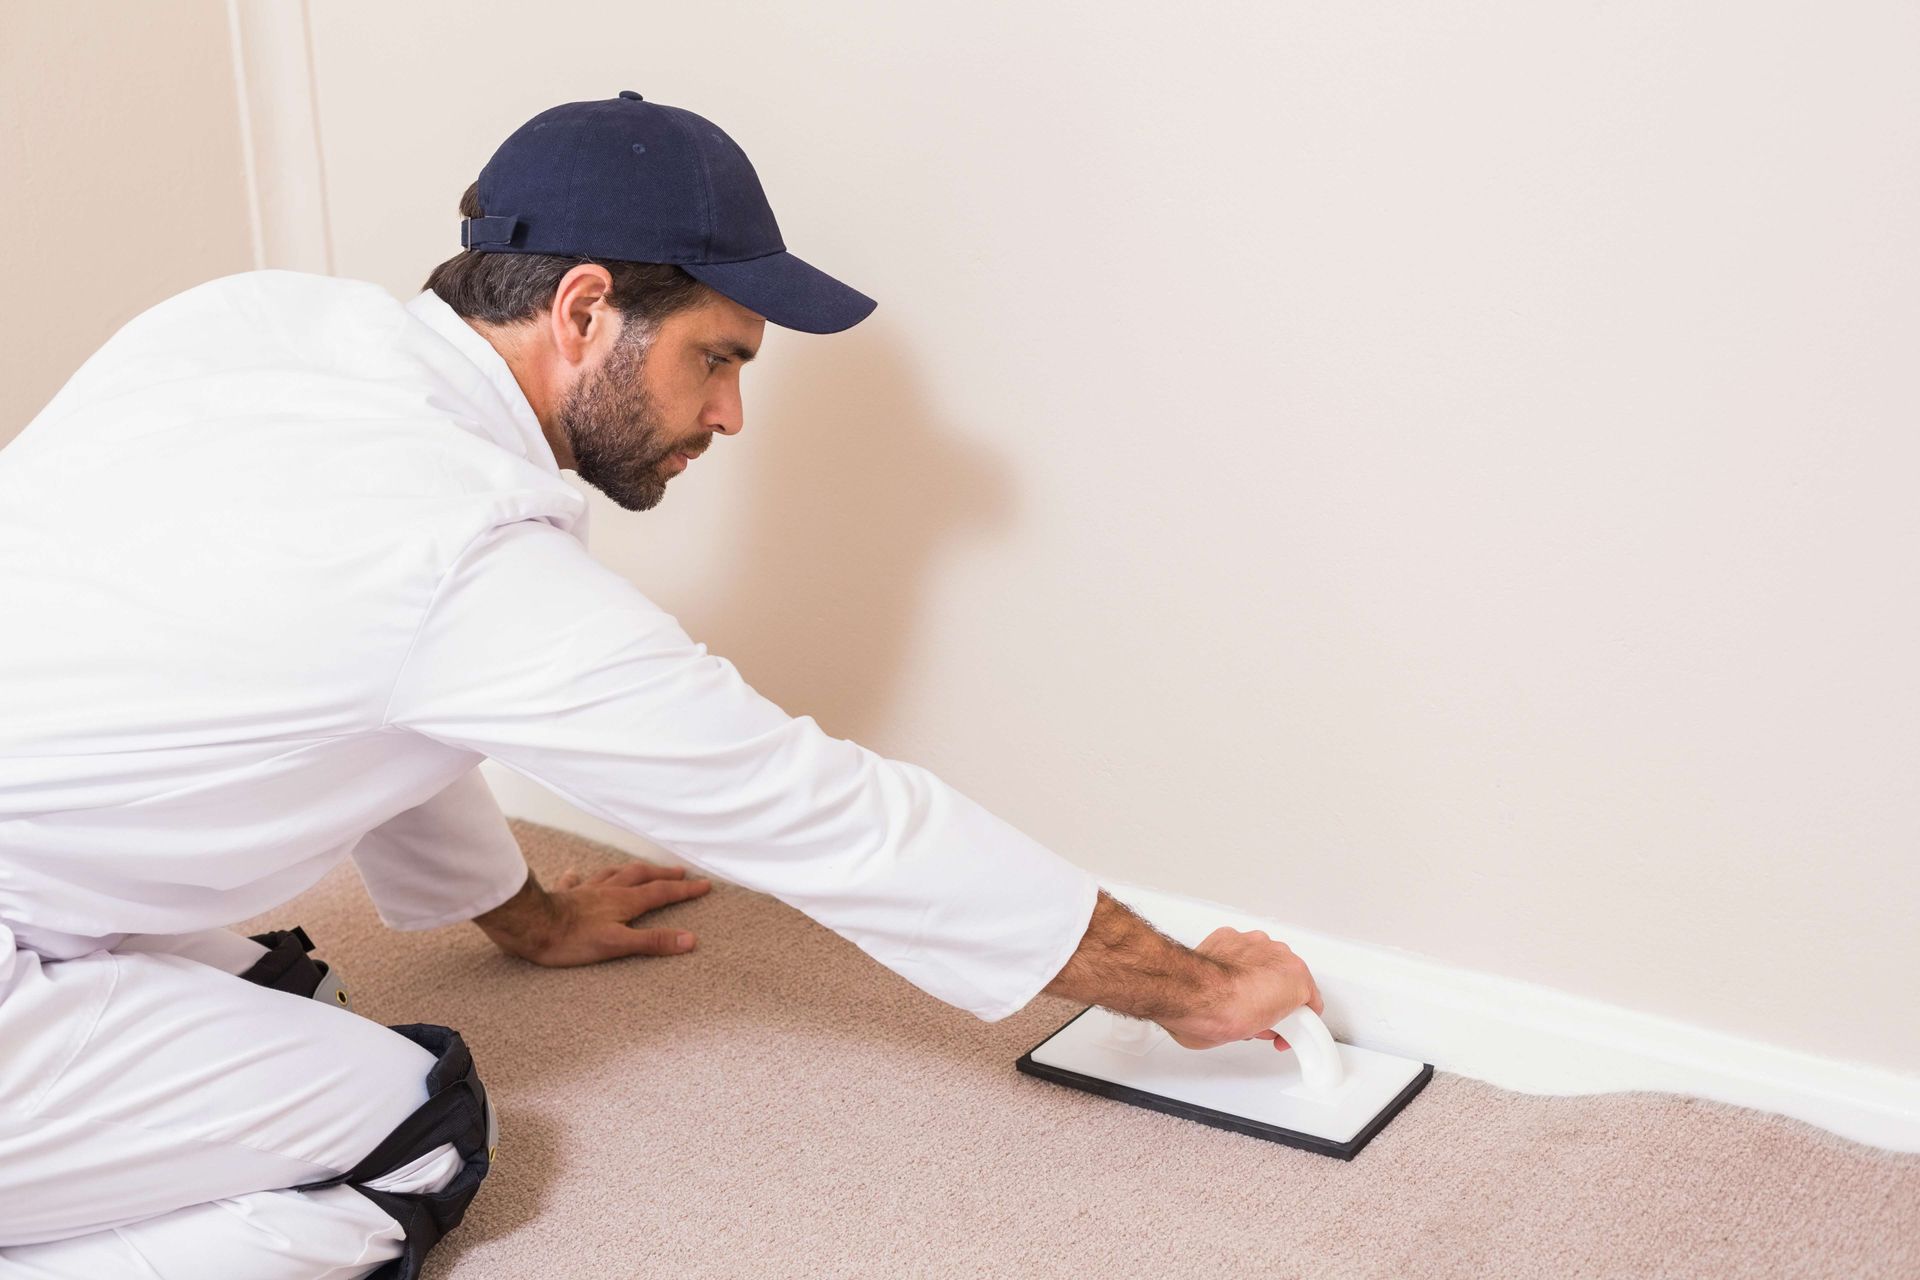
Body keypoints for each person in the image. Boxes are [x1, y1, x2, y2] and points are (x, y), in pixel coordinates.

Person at [0, 91, 1321, 1279]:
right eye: (721, 356)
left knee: (305, 1007)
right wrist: (1195, 990)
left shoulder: (252, 324)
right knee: (414, 1131)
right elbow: (834, 818)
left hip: (36, 891)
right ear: (584, 310)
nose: (733, 415)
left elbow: (376, 682)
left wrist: (519, 914)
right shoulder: (460, 553)